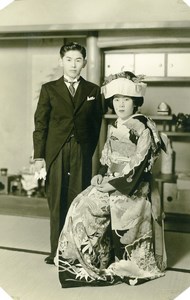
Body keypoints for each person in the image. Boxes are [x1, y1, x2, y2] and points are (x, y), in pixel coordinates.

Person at [56, 71, 168, 287]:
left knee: (109, 208)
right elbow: (107, 158)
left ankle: (121, 262)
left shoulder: (144, 126)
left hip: (133, 186)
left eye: (126, 99)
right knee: (80, 204)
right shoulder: (116, 124)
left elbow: (141, 165)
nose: (121, 104)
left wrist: (112, 184)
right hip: (112, 180)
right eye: (116, 99)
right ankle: (86, 263)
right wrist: (99, 173)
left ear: (135, 102)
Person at [33, 42, 103, 265]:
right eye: (69, 59)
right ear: (61, 61)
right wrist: (38, 157)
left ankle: (75, 252)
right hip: (56, 151)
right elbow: (40, 124)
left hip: (81, 150)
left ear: (84, 63)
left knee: (78, 201)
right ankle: (56, 252)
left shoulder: (93, 90)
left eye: (78, 60)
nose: (73, 64)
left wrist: (86, 150)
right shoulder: (49, 89)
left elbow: (96, 123)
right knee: (56, 201)